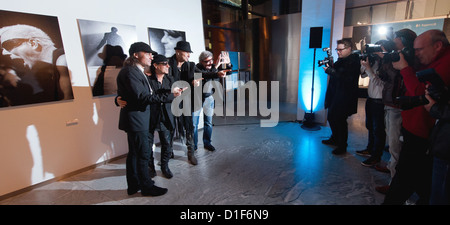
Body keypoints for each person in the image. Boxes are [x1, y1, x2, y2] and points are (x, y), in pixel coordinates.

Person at [383, 29, 450, 205]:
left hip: (424, 132)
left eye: (420, 49)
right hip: (417, 128)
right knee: (421, 178)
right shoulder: (432, 60)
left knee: (405, 176)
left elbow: (421, 94)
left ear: (438, 46)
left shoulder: (446, 64)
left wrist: (405, 68)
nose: (416, 53)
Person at [116, 41, 180, 196]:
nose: (152, 56)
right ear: (136, 55)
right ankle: (146, 187)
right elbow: (143, 97)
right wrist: (171, 95)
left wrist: (118, 98)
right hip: (137, 120)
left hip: (137, 119)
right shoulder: (131, 72)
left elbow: (130, 94)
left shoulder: (136, 71)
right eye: (148, 53)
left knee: (135, 154)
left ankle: (133, 186)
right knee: (143, 154)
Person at [374, 29, 416, 195]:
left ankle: (395, 183)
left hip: (398, 105)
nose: (394, 40)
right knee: (392, 144)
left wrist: (387, 58)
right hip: (391, 102)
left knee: (395, 144)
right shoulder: (398, 54)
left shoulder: (406, 56)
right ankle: (393, 169)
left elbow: (395, 76)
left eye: (397, 38)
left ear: (404, 40)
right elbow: (385, 76)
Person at [0, 24, 73, 106]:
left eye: (9, 46)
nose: (5, 53)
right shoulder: (54, 68)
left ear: (33, 43)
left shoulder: (63, 60)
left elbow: (69, 103)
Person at [322, 39, 361, 155]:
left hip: (344, 96)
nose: (338, 52)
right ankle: (335, 138)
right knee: (331, 117)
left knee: (340, 121)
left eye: (340, 49)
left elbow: (347, 78)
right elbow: (337, 71)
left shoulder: (354, 61)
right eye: (337, 49)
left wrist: (330, 71)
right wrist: (330, 66)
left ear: (349, 49)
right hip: (336, 94)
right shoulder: (343, 60)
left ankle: (342, 145)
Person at [356, 40, 390, 167]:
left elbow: (380, 84)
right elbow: (363, 74)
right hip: (370, 99)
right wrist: (366, 63)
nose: (375, 52)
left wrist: (370, 69)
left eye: (378, 49)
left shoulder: (387, 64)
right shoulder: (375, 61)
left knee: (378, 130)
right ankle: (370, 149)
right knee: (370, 126)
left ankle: (376, 156)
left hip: (380, 101)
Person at [147, 54, 179, 179]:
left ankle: (164, 166)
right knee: (148, 145)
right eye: (164, 64)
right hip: (151, 116)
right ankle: (151, 168)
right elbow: (149, 98)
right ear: (155, 65)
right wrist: (170, 95)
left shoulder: (170, 79)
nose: (168, 66)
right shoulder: (148, 80)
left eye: (168, 63)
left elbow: (175, 96)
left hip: (166, 115)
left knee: (167, 143)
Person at [168, 40, 198, 165]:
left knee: (188, 126)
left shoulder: (190, 65)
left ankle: (191, 152)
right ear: (178, 52)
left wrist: (194, 83)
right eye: (187, 52)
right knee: (170, 126)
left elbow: (200, 75)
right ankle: (168, 152)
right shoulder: (168, 64)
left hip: (185, 101)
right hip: (171, 100)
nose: (189, 55)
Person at [192, 50, 229, 151]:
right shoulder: (196, 68)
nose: (210, 63)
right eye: (207, 61)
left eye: (211, 60)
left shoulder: (212, 68)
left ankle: (207, 143)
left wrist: (227, 63)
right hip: (197, 98)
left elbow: (228, 70)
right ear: (201, 61)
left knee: (208, 122)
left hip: (209, 98)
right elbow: (206, 75)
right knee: (194, 124)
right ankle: (194, 146)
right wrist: (216, 71)